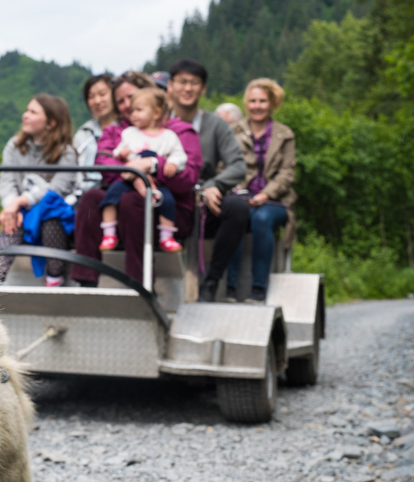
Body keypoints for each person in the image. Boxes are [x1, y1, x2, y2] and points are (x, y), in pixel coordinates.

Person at [70, 71, 202, 287]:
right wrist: (136, 174)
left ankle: (139, 286)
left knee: (132, 202)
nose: (126, 106)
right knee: (91, 198)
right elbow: (105, 166)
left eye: (131, 98)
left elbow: (187, 178)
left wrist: (152, 164)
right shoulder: (116, 132)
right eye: (120, 101)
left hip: (168, 208)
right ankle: (86, 281)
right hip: (124, 199)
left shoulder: (179, 132)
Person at [166, 59, 249, 302]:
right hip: (168, 199)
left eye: (194, 83)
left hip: (204, 201)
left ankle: (211, 284)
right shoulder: (158, 121)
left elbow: (238, 165)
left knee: (237, 209)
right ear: (170, 86)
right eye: (182, 82)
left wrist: (212, 185)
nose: (188, 88)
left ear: (203, 89)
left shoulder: (216, 125)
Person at [0, 94, 78, 287]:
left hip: (52, 213)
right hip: (22, 212)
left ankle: (54, 277)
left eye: (33, 112)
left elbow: (56, 190)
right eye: (27, 110)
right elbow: (6, 182)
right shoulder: (14, 146)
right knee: (12, 221)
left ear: (50, 123)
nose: (25, 115)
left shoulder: (66, 153)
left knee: (51, 219)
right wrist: (11, 206)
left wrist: (22, 200)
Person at [227, 78, 296, 303]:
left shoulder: (285, 134)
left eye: (262, 101)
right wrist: (240, 193)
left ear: (272, 103)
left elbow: (287, 173)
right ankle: (230, 288)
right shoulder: (233, 131)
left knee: (262, 218)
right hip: (241, 197)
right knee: (236, 214)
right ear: (246, 103)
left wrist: (265, 194)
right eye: (253, 100)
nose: (257, 105)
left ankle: (258, 288)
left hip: (274, 201)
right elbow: (225, 167)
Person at [100, 88, 187, 253]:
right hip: (129, 179)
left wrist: (173, 163)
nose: (133, 114)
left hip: (156, 179)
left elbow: (180, 156)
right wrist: (121, 153)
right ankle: (109, 233)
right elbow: (118, 150)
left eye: (139, 110)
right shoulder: (129, 133)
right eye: (132, 111)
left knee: (167, 201)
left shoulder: (168, 136)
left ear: (156, 113)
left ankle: (166, 237)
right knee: (110, 196)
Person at [73, 73, 116, 167]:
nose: (97, 101)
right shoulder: (83, 133)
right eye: (91, 97)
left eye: (102, 94)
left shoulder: (126, 130)